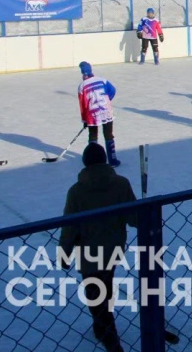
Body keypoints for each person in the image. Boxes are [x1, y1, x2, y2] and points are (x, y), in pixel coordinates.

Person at [59, 143, 138, 352]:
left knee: (94, 291)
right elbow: (134, 218)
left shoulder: (76, 191)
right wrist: (144, 212)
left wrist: (64, 252)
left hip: (88, 252)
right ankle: (101, 328)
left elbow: (70, 226)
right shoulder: (121, 184)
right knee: (105, 284)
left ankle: (108, 335)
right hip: (113, 248)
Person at [78, 62, 119, 166]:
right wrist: (107, 100)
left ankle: (93, 162)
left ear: (83, 73)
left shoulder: (82, 86)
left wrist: (84, 120)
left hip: (92, 114)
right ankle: (113, 160)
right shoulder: (102, 80)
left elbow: (83, 105)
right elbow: (113, 90)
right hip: (106, 110)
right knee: (108, 134)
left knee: (93, 135)